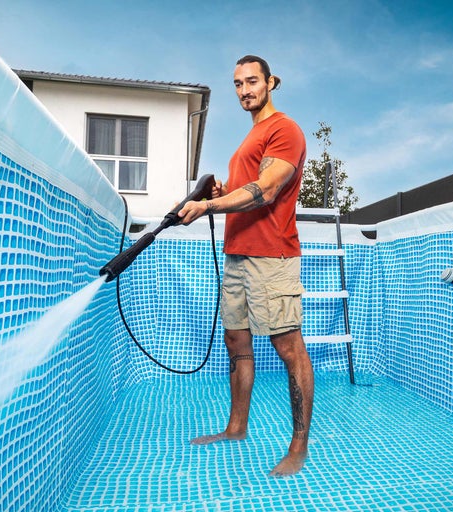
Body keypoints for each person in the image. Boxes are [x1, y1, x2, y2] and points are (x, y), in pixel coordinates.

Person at [178, 55, 313, 477]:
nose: (244, 90)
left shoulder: (283, 130)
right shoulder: (250, 140)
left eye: (251, 81)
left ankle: (298, 446)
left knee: (288, 348)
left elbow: (266, 191)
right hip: (237, 254)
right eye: (237, 84)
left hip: (272, 256)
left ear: (271, 82)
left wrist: (207, 204)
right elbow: (244, 189)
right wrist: (222, 190)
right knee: (237, 342)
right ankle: (236, 427)